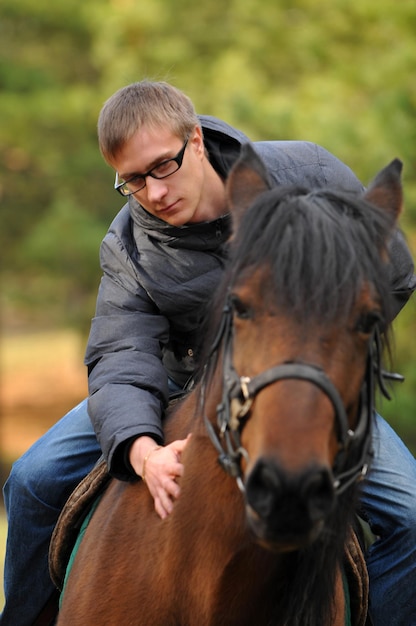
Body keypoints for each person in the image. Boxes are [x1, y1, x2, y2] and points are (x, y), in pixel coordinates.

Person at [2, 81, 416, 626]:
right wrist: (142, 450)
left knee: (412, 517)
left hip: (299, 379)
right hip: (176, 381)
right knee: (32, 479)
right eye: (131, 181)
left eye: (162, 167)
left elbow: (392, 273)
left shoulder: (310, 177)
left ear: (195, 140)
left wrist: (327, 354)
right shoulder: (129, 248)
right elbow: (121, 355)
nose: (152, 192)